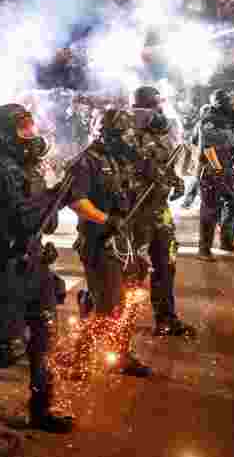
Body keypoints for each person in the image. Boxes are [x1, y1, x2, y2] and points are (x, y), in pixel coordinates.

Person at [0, 104, 74, 433]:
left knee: (45, 338)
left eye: (31, 127)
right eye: (23, 129)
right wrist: (2, 246)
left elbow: (40, 217)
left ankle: (41, 408)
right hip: (5, 269)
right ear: (6, 133)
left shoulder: (31, 166)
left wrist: (52, 205)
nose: (31, 134)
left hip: (36, 265)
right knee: (7, 348)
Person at [67, 108, 152, 376]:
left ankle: (122, 354)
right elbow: (77, 200)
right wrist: (105, 220)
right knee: (109, 307)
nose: (125, 139)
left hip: (127, 239)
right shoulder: (86, 161)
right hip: (100, 241)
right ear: (104, 132)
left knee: (131, 300)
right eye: (118, 133)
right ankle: (80, 358)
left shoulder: (121, 158)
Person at [129, 86, 195, 337]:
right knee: (133, 269)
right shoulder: (127, 130)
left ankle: (166, 318)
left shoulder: (157, 130)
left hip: (158, 207)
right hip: (136, 209)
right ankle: (104, 317)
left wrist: (173, 179)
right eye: (157, 104)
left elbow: (163, 163)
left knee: (165, 263)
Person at [197, 90, 234, 260]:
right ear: (220, 102)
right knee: (210, 210)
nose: (232, 105)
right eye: (229, 102)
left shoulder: (226, 119)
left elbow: (232, 140)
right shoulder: (210, 119)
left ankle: (226, 241)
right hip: (211, 171)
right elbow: (208, 148)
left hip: (226, 168)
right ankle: (204, 249)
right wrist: (216, 170)